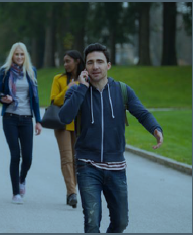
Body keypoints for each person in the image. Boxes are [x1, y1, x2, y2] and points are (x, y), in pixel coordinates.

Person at [59, 43, 164, 233]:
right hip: (87, 166)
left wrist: (156, 129)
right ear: (85, 67)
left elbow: (142, 113)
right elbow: (64, 117)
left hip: (116, 168)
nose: (95, 66)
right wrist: (82, 88)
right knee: (92, 222)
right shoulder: (75, 91)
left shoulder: (122, 90)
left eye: (100, 61)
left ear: (108, 65)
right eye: (90, 62)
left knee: (121, 222)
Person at [0, 42, 42, 204]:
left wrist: (38, 121)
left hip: (26, 119)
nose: (19, 57)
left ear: (25, 56)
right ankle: (16, 192)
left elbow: (35, 99)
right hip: (10, 117)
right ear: (12, 56)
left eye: (22, 54)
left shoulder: (31, 71)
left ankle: (22, 179)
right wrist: (4, 98)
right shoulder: (5, 71)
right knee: (15, 155)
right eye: (17, 54)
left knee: (28, 157)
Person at [49, 50, 85, 208]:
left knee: (78, 159)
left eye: (68, 61)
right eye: (64, 61)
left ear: (77, 61)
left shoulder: (86, 78)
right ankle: (72, 192)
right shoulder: (58, 79)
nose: (65, 64)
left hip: (80, 124)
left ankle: (72, 191)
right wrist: (69, 88)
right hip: (62, 124)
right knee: (67, 158)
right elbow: (54, 101)